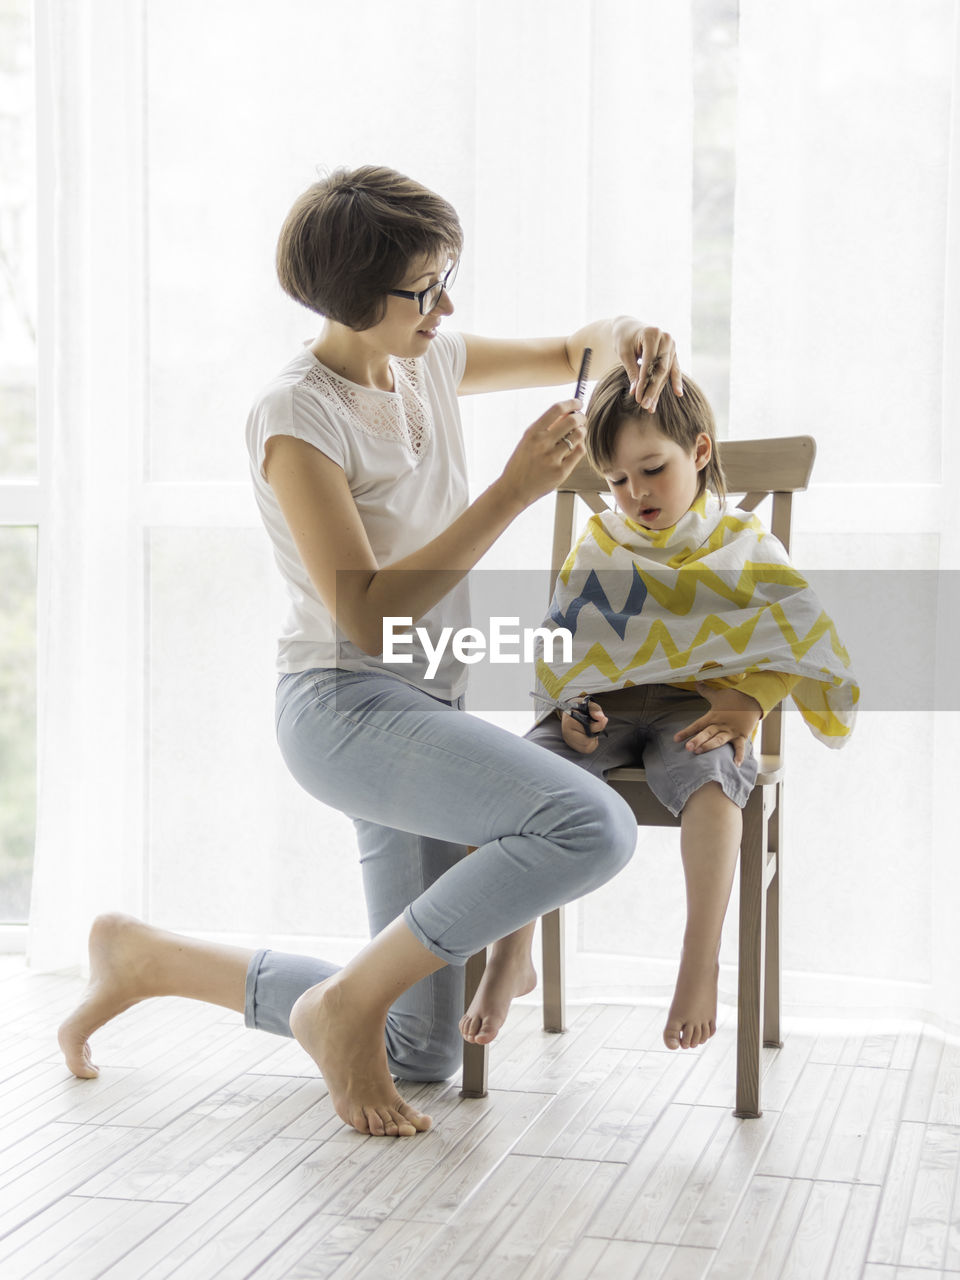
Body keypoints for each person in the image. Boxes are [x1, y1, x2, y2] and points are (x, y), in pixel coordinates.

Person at [58, 164, 685, 1139]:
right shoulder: (296, 417)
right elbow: (367, 613)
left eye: (447, 279)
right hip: (346, 709)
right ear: (358, 300)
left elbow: (577, 346)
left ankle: (151, 958)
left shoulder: (424, 357)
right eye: (425, 290)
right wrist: (512, 491)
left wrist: (629, 339)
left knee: (421, 1051)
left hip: (422, 713)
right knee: (591, 826)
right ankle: (344, 1003)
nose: (446, 306)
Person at [460, 365, 857, 1055]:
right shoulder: (601, 545)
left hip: (696, 710)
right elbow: (569, 646)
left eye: (651, 469)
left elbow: (798, 639)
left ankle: (699, 963)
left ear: (700, 453)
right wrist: (573, 709)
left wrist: (746, 706)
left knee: (709, 784)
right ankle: (509, 954)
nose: (634, 493)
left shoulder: (745, 546)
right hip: (601, 715)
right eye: (615, 480)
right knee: (517, 782)